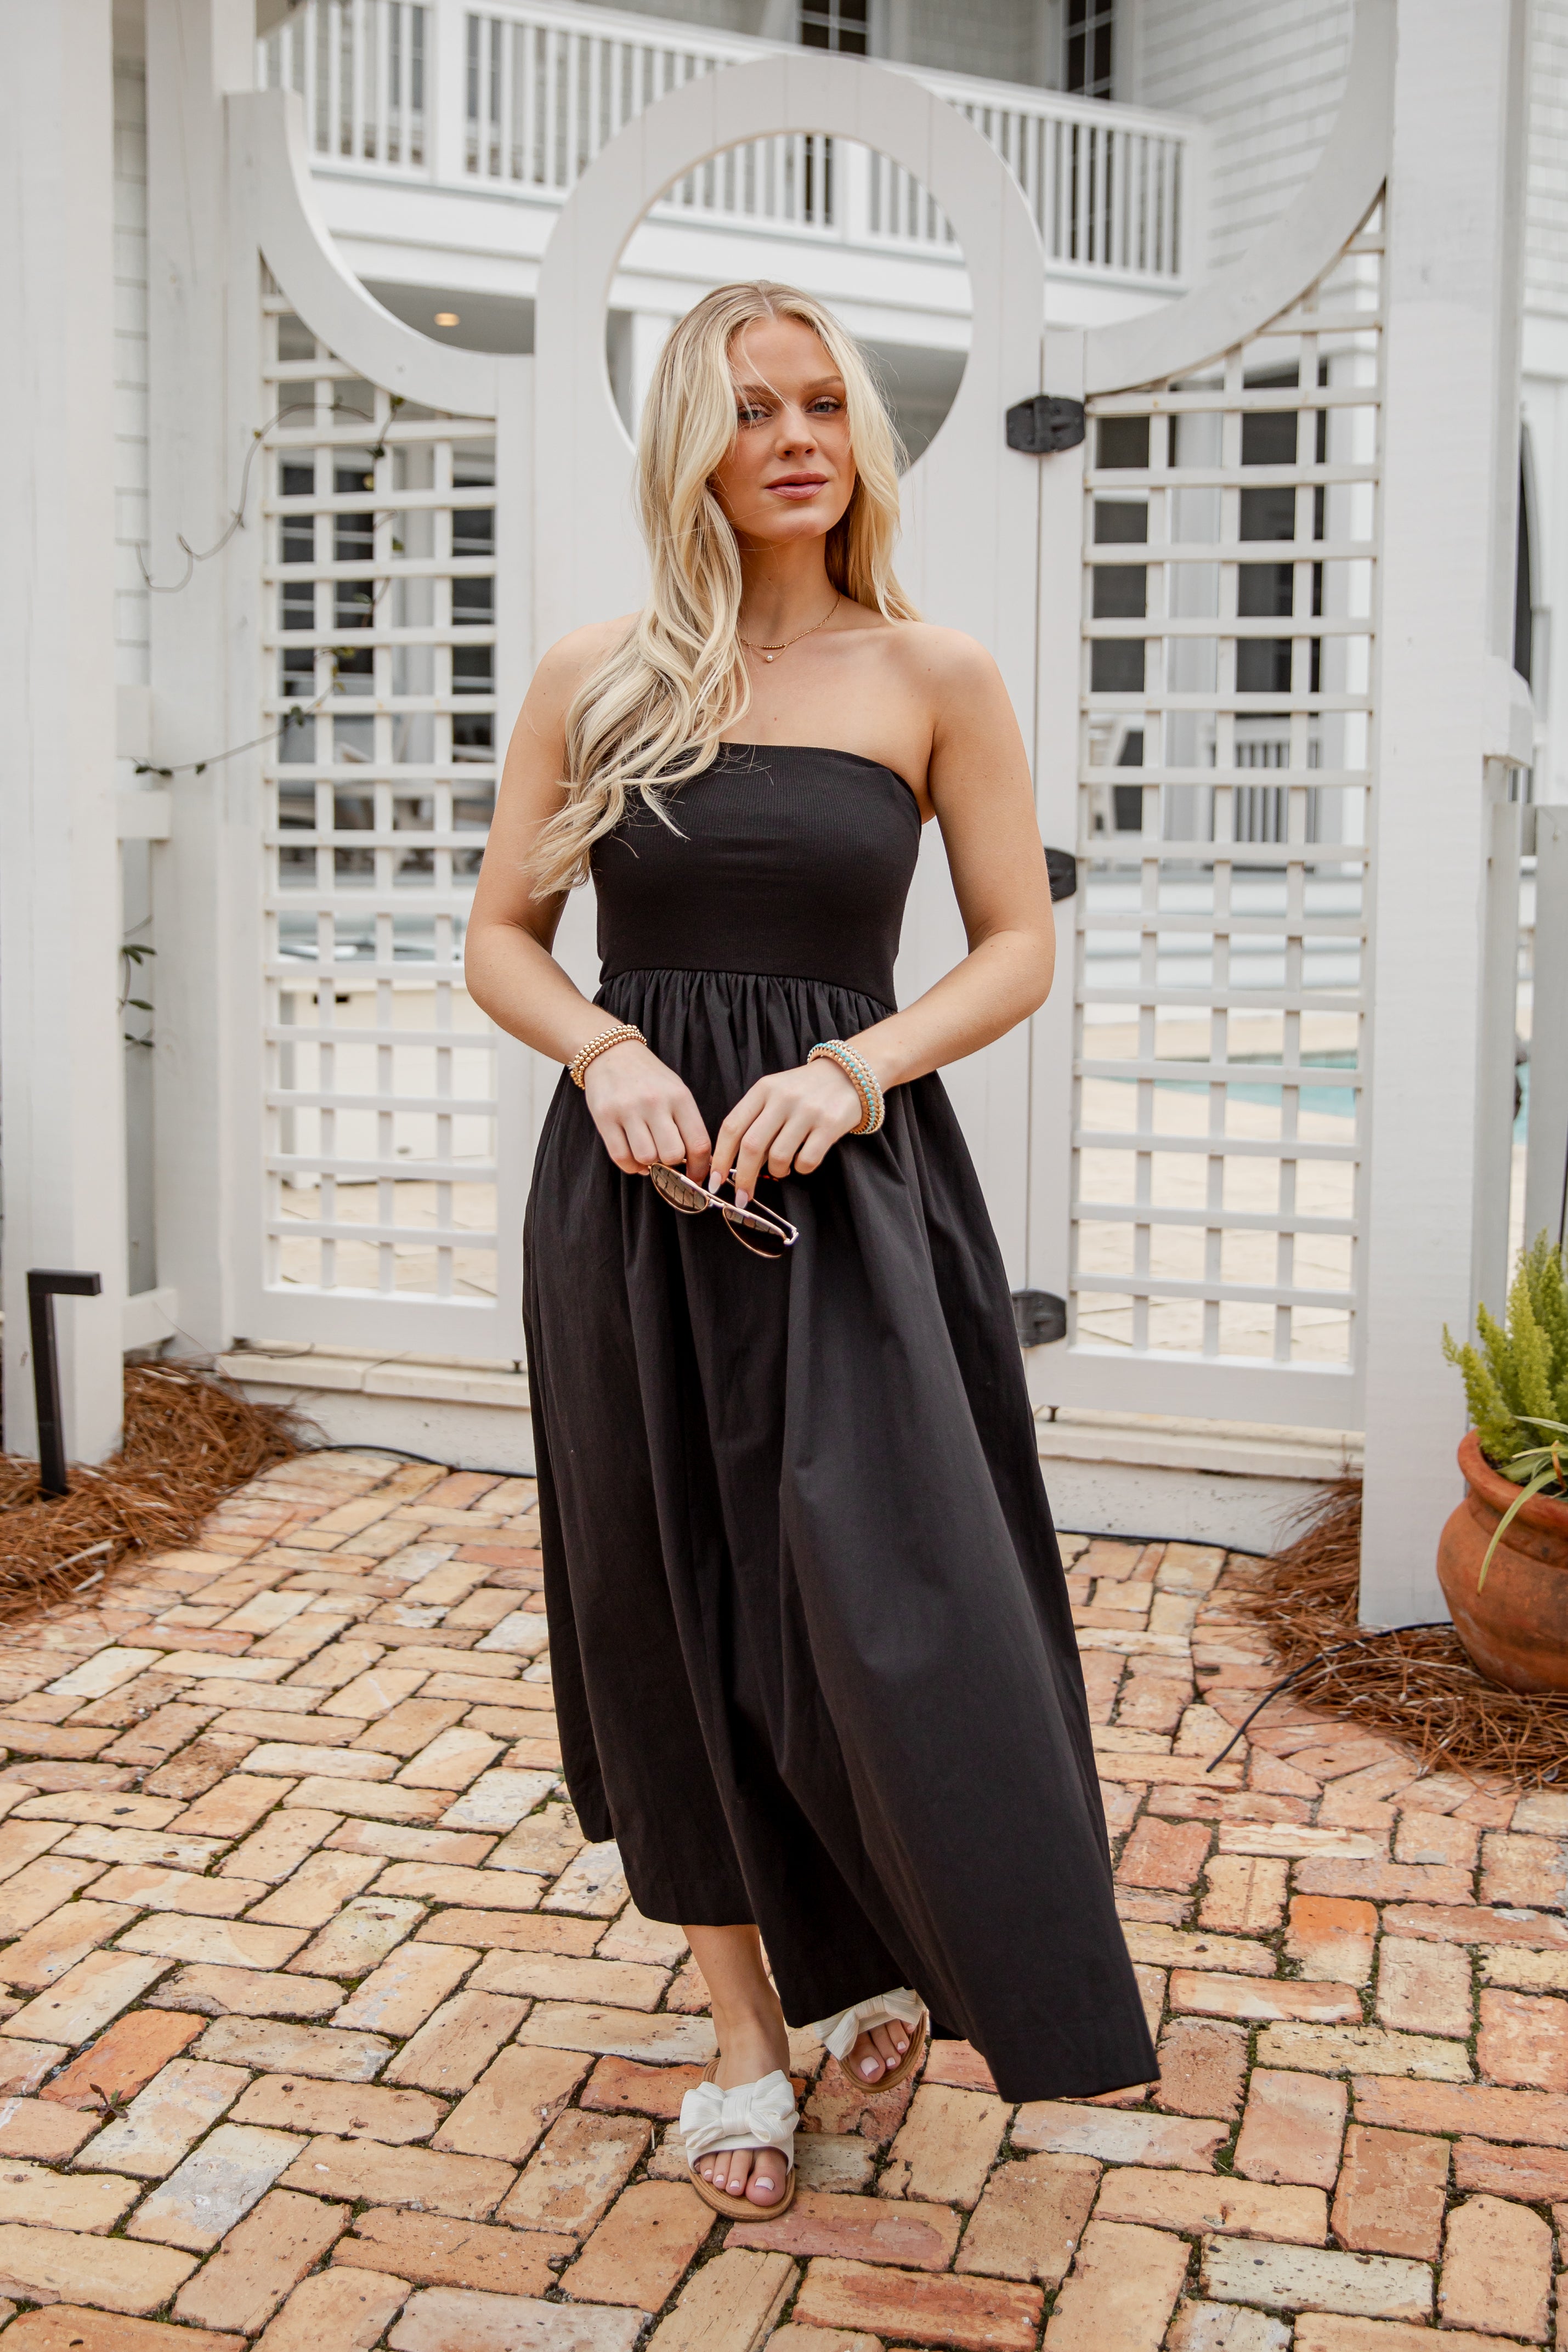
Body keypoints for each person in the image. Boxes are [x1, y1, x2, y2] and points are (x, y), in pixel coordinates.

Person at [466, 280, 1155, 2218]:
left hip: (853, 1203)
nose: (792, 438)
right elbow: (500, 937)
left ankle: (920, 1950)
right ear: (691, 439)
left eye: (824, 408)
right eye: (753, 407)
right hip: (630, 1208)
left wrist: (858, 1067)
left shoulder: (933, 674)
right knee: (658, 1602)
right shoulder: (597, 676)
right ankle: (744, 2045)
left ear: (858, 442)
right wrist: (601, 1047)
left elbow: (1016, 942)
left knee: (889, 1608)